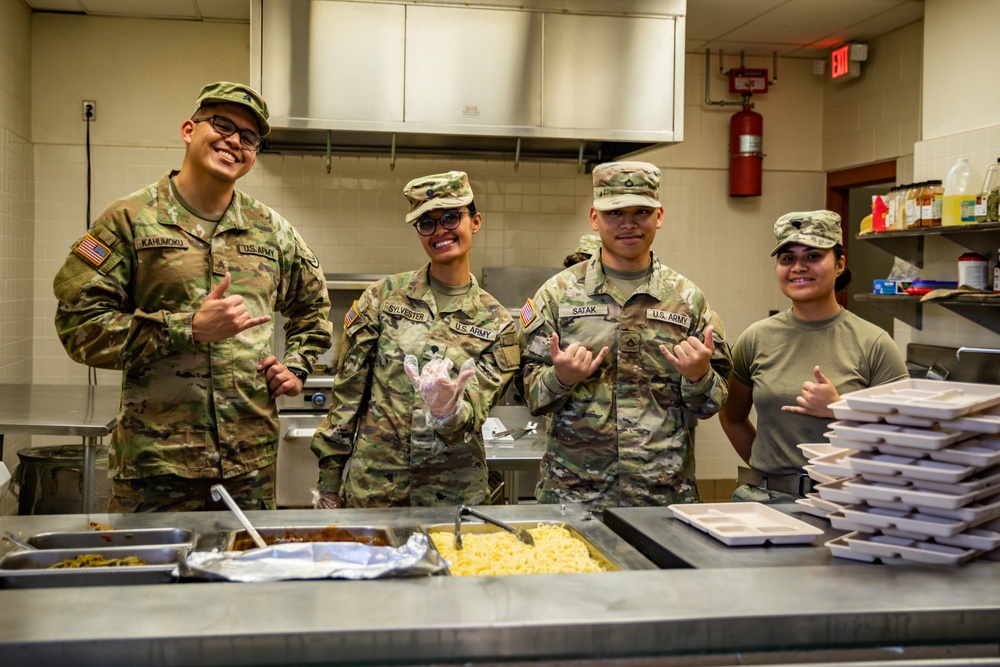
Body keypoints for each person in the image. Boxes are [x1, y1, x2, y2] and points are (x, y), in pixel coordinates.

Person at [53, 82, 333, 512]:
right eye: (222, 124)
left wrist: (295, 366)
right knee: (148, 576)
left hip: (249, 466)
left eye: (250, 137)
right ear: (189, 130)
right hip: (155, 466)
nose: (235, 141)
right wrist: (187, 329)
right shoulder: (130, 220)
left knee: (243, 576)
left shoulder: (271, 230)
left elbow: (312, 309)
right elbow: (78, 326)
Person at [517, 161, 732, 512]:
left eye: (642, 211)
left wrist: (698, 377)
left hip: (662, 496)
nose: (629, 223)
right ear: (594, 217)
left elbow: (711, 404)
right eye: (615, 211)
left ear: (659, 216)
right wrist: (560, 378)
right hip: (575, 496)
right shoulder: (557, 295)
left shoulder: (688, 299)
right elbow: (528, 394)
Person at [310, 171, 520, 508]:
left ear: (475, 221)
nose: (440, 231)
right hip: (377, 490)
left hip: (452, 495)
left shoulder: (498, 323)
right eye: (427, 223)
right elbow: (348, 396)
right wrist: (329, 483)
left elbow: (472, 417)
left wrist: (448, 411)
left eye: (451, 217)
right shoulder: (382, 298)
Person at [718, 210, 908, 502]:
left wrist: (841, 409)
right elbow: (732, 417)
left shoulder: (874, 343)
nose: (798, 267)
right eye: (787, 258)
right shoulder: (755, 338)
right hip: (762, 502)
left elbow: (905, 437)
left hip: (842, 504)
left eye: (813, 256)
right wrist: (771, 472)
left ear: (840, 264)